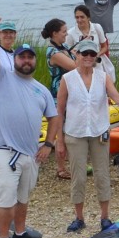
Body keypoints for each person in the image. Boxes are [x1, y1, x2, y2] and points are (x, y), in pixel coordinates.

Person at [0, 14, 62, 238]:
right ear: (14, 60)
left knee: (23, 195)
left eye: (29, 57)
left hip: (31, 152)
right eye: (21, 57)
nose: (25, 61)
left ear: (35, 61)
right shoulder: (1, 77)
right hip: (5, 149)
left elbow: (54, 117)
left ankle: (21, 231)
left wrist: (48, 144)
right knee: (6, 193)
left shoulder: (41, 89)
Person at [56, 38, 119, 233]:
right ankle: (79, 218)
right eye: (84, 54)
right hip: (75, 133)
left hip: (99, 131)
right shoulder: (67, 79)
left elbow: (116, 98)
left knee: (102, 174)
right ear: (76, 56)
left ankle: (105, 217)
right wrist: (59, 140)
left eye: (91, 54)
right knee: (78, 177)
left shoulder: (102, 76)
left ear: (96, 57)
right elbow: (59, 111)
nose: (87, 57)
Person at [41, 18, 77, 179]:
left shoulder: (65, 47)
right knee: (61, 132)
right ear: (54, 34)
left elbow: (76, 59)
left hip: (71, 92)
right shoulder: (53, 52)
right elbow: (75, 66)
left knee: (71, 129)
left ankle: (71, 162)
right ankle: (61, 168)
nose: (66, 34)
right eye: (63, 31)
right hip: (58, 94)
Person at [66, 3, 115, 84]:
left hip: (97, 66)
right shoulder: (71, 33)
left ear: (88, 17)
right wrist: (78, 56)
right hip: (81, 68)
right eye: (77, 17)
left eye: (82, 17)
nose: (79, 20)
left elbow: (104, 46)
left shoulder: (97, 28)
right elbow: (68, 50)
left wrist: (96, 55)